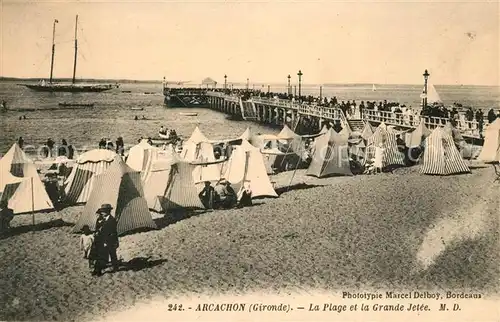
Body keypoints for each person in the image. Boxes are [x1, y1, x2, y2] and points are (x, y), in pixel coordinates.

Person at [92, 204, 120, 276]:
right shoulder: (99, 219)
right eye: (101, 211)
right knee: (101, 255)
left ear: (108, 211)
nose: (102, 213)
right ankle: (97, 270)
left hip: (109, 240)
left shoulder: (112, 220)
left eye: (104, 211)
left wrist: (108, 242)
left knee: (112, 253)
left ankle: (115, 266)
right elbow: (97, 229)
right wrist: (96, 233)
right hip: (100, 240)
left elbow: (113, 232)